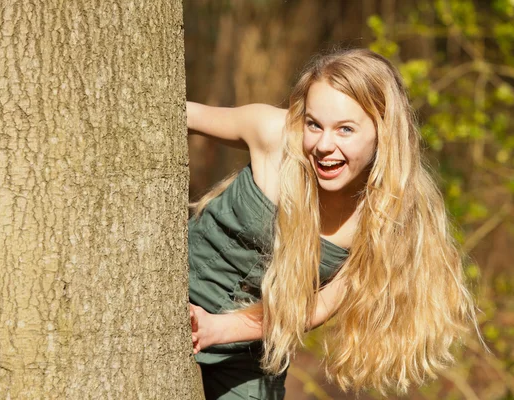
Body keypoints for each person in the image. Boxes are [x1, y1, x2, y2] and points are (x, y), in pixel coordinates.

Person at [186, 48, 478, 400]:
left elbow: (314, 308)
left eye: (345, 129)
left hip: (249, 348)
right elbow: (178, 115)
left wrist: (218, 329)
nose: (325, 145)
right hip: (170, 291)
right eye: (314, 124)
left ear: (383, 132)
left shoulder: (385, 219)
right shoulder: (272, 135)